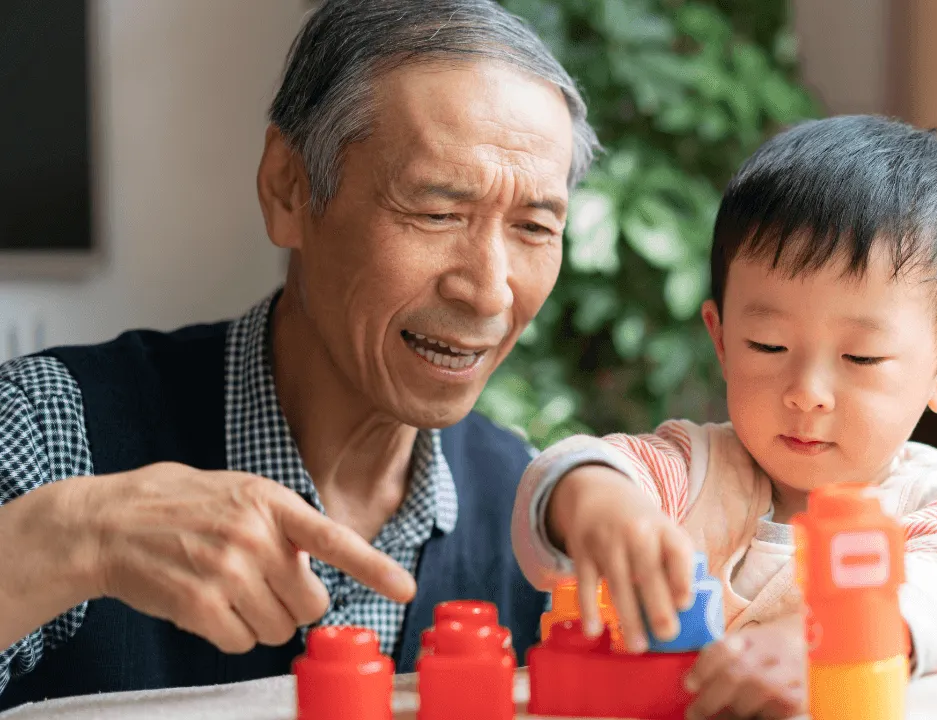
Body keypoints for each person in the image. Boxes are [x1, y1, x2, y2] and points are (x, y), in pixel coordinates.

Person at [0, 0, 599, 708]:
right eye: (437, 212)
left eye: (534, 226)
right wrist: (73, 542)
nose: (489, 292)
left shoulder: (533, 516)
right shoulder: (52, 429)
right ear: (287, 187)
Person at [513, 115, 937, 719]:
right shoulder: (687, 471)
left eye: (860, 356)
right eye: (768, 346)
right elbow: (570, 471)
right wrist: (597, 502)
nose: (807, 393)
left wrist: (824, 639)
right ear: (722, 340)